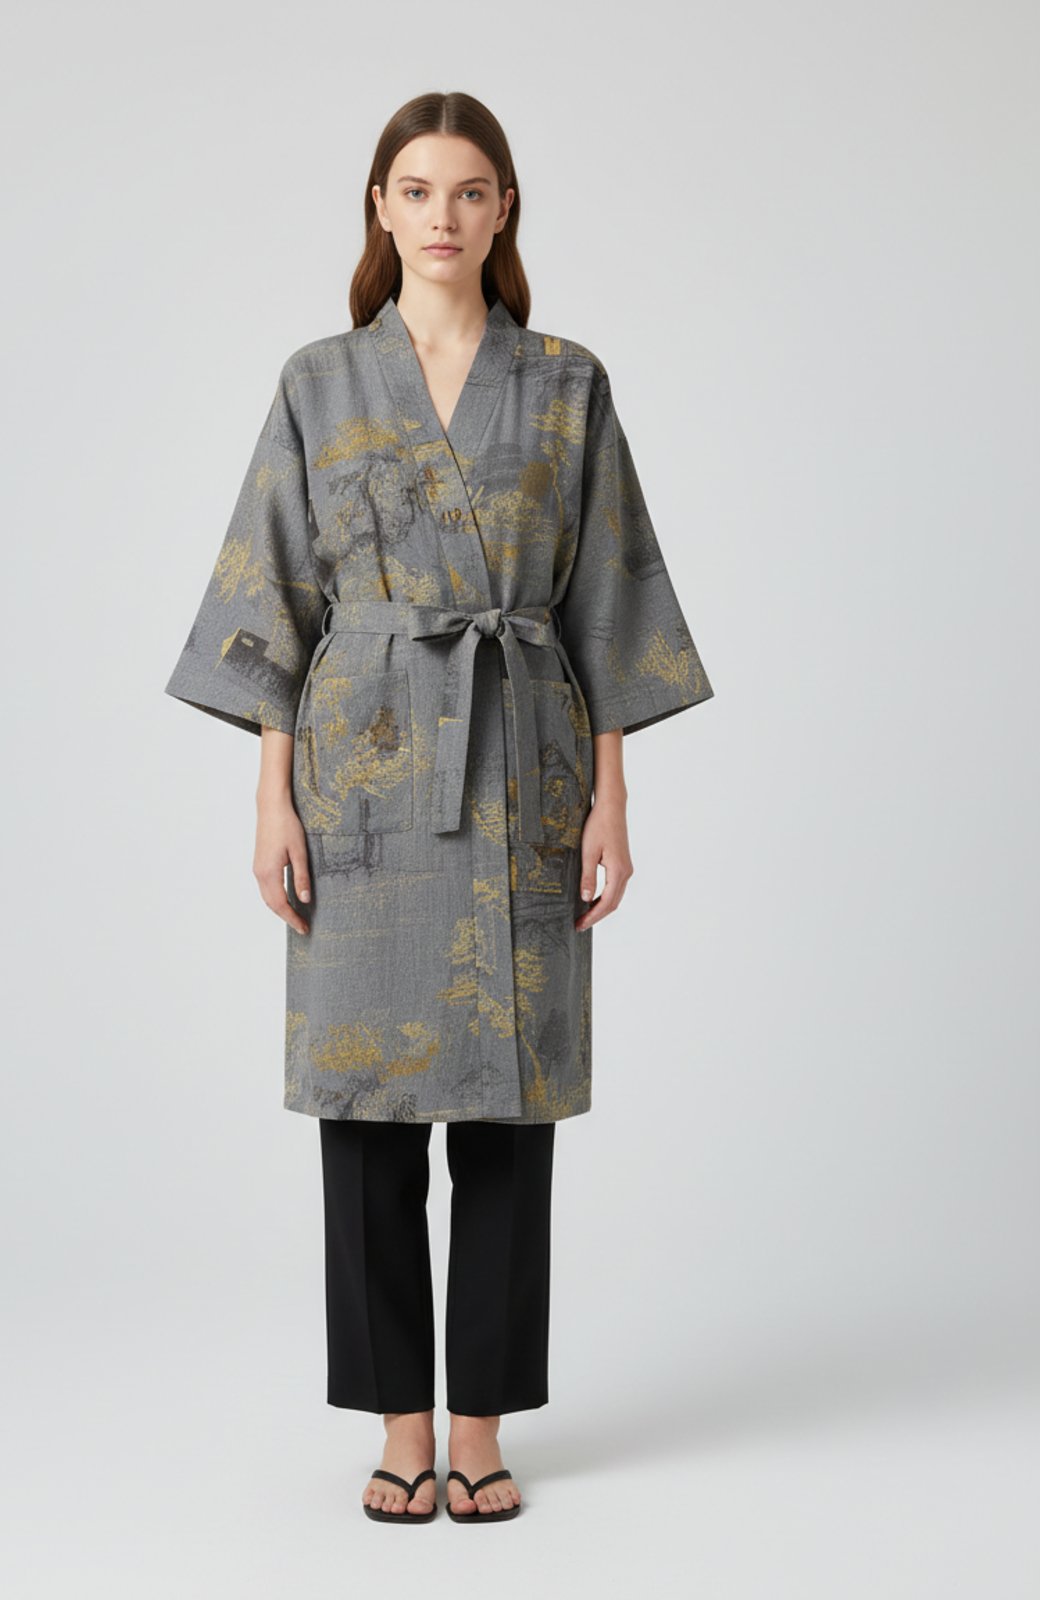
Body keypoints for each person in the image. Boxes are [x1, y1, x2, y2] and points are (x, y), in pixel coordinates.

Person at [164, 91, 715, 1523]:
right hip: (358, 769)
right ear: (380, 208)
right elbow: (273, 594)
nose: (443, 216)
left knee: (509, 1109)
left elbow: (609, 601)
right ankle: (399, 1428)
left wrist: (611, 800)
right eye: (416, 190)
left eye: (470, 191)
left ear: (504, 208)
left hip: (525, 759)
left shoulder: (567, 384)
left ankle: (481, 1429)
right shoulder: (319, 382)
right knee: (366, 1111)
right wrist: (272, 800)